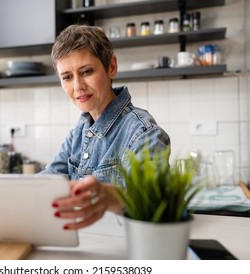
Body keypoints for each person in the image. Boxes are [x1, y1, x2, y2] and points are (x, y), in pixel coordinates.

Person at [38, 24, 170, 230]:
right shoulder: (79, 131)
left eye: (86, 71)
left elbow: (153, 205)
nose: (77, 86)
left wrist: (110, 197)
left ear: (111, 67)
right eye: (67, 77)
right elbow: (50, 178)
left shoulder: (143, 133)